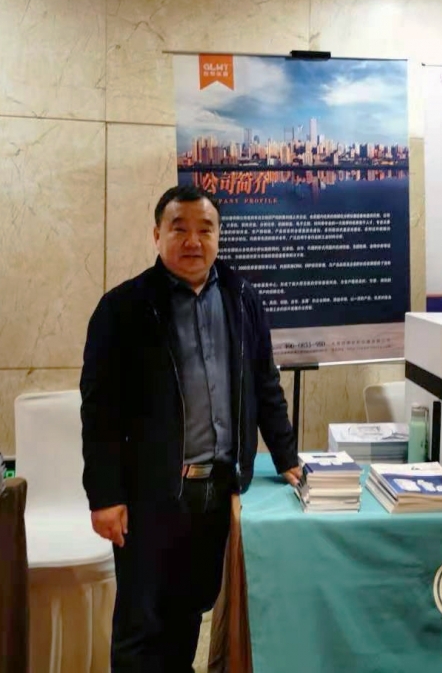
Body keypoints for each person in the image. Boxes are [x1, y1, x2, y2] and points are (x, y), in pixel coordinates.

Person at [80, 184, 301, 673]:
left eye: (205, 229)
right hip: (150, 492)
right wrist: (104, 495)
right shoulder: (123, 308)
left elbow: (265, 384)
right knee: (142, 622)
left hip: (217, 489)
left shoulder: (242, 299)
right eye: (179, 228)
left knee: (188, 613)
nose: (193, 241)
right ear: (156, 235)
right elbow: (100, 412)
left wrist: (287, 457)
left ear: (219, 236)